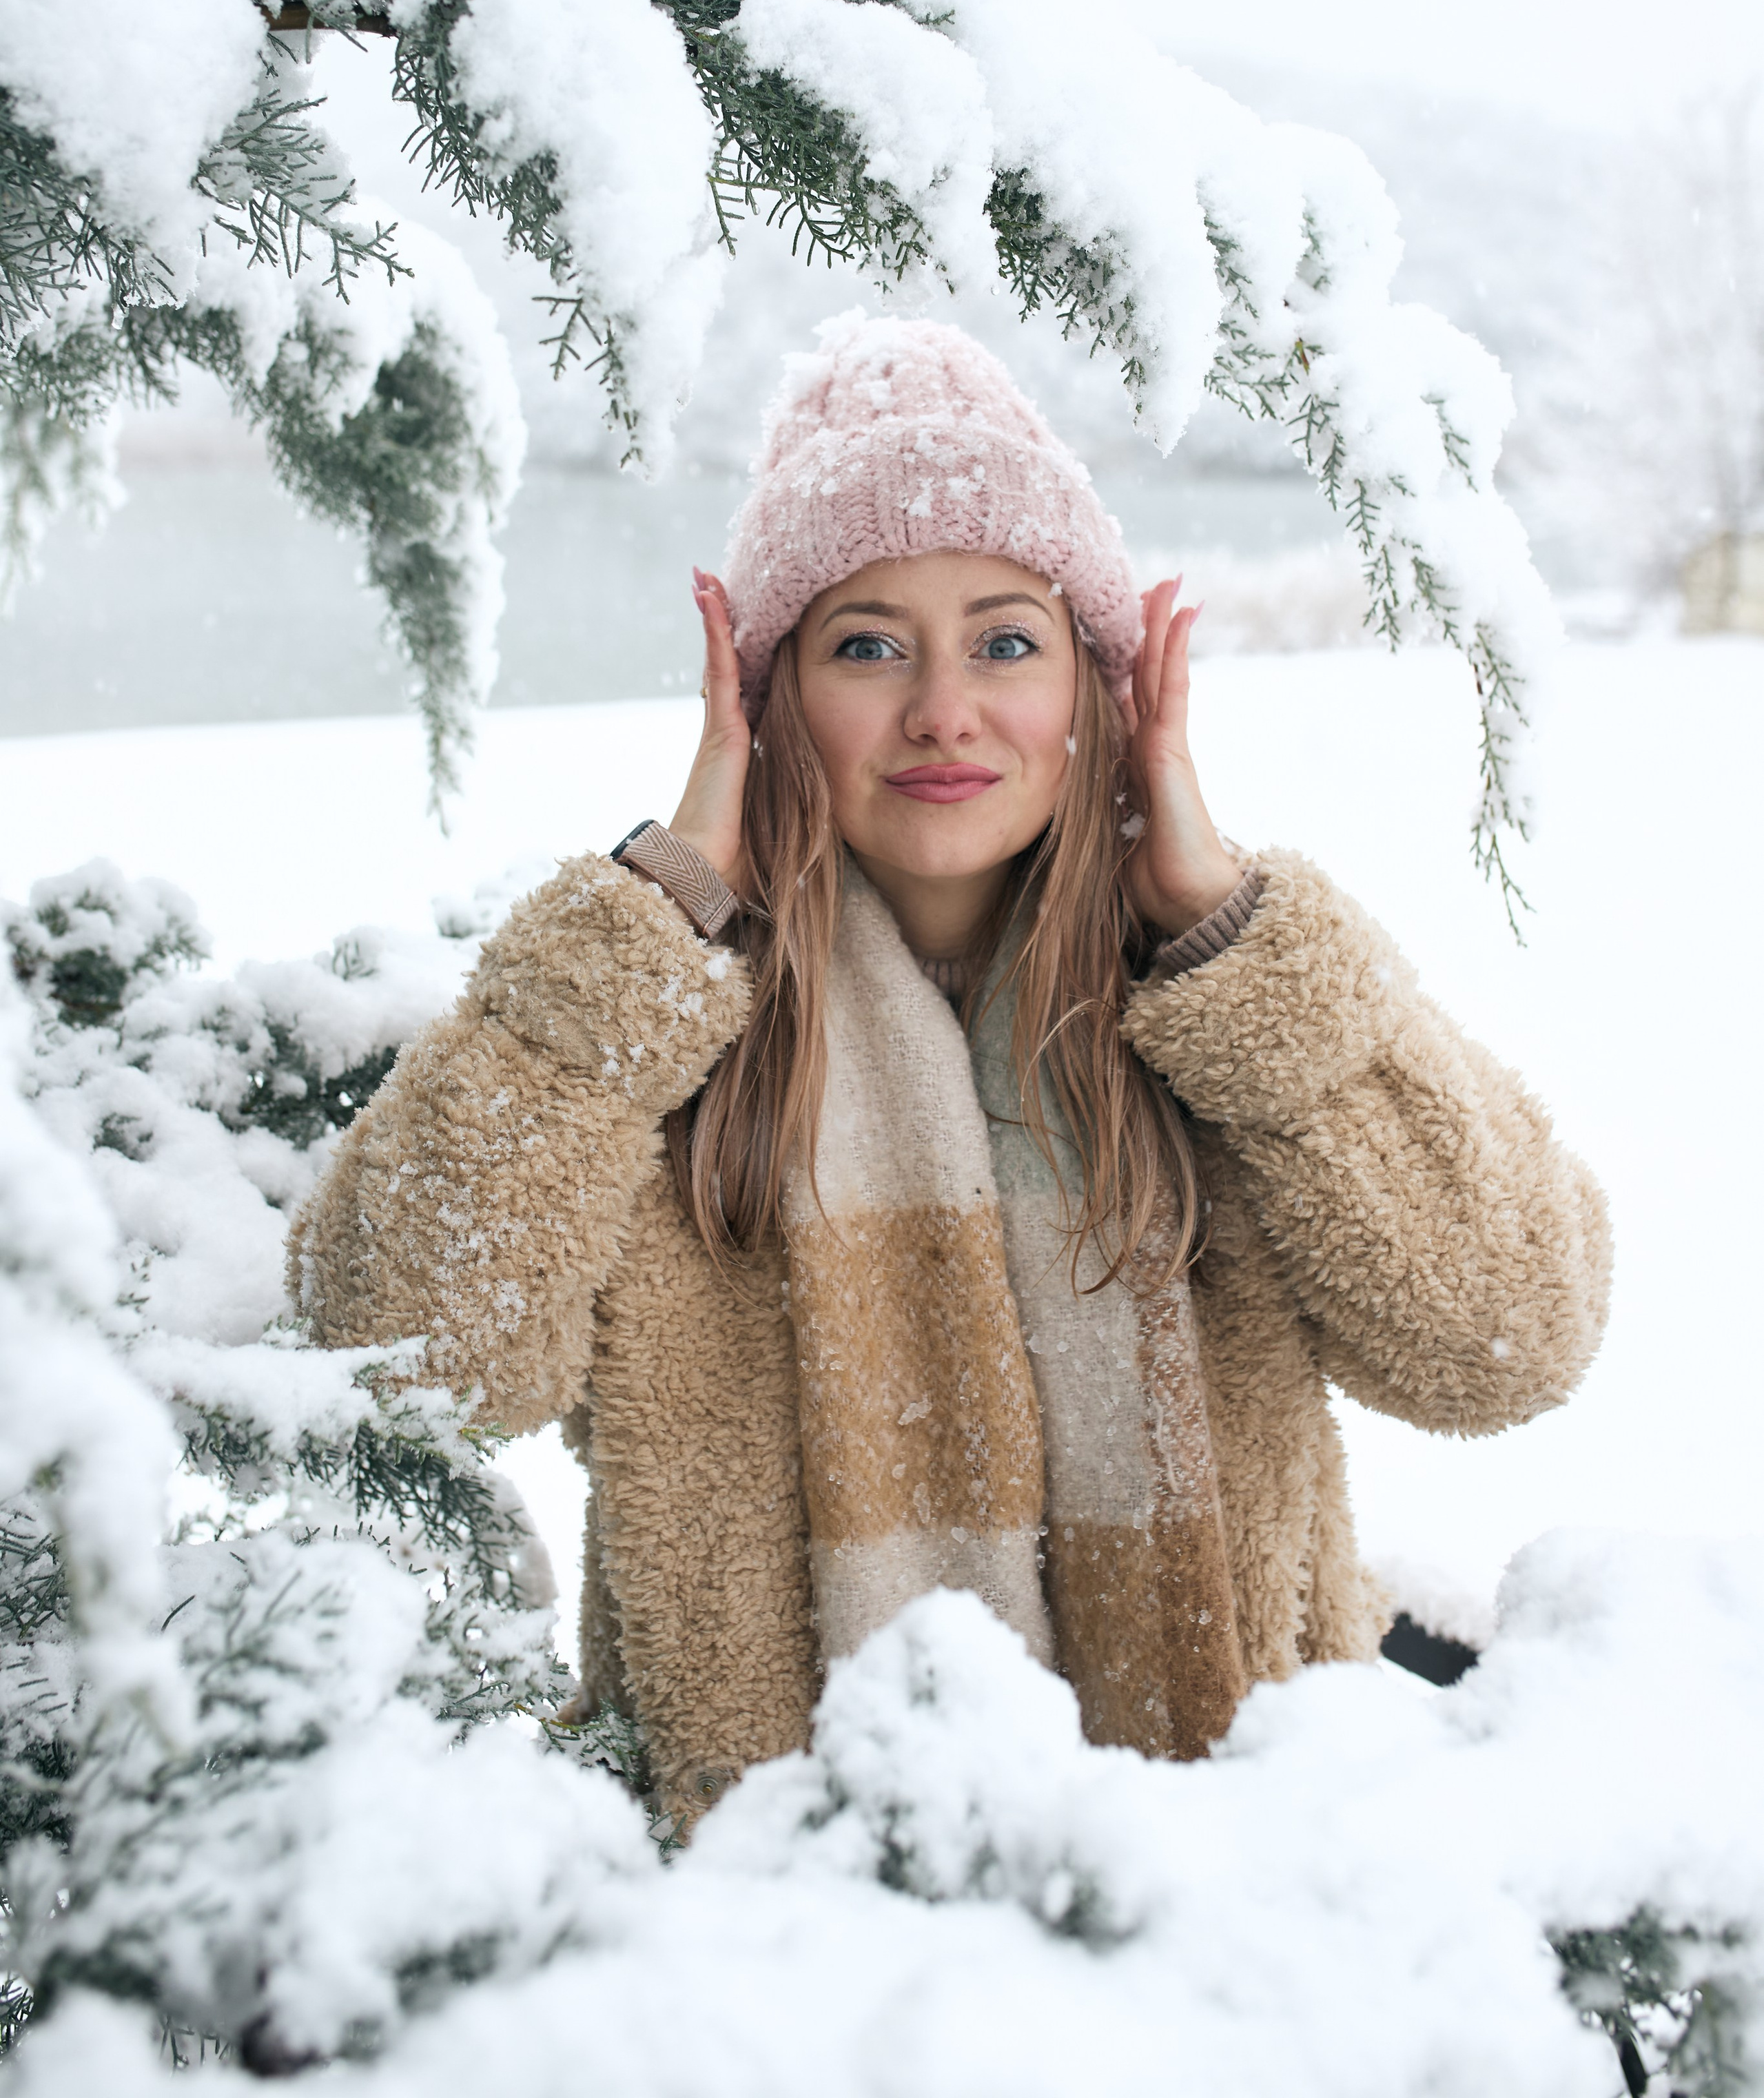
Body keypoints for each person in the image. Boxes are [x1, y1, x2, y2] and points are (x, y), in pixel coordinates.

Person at [291, 312, 1610, 1829]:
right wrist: (646, 926)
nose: (941, 710)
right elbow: (397, 1374)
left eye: (1005, 641)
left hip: (1240, 1897)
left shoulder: (1216, 1020)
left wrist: (1233, 938)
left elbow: (1504, 1340)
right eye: (865, 647)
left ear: (1091, 699)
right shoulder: (658, 1030)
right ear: (770, 700)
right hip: (768, 1939)